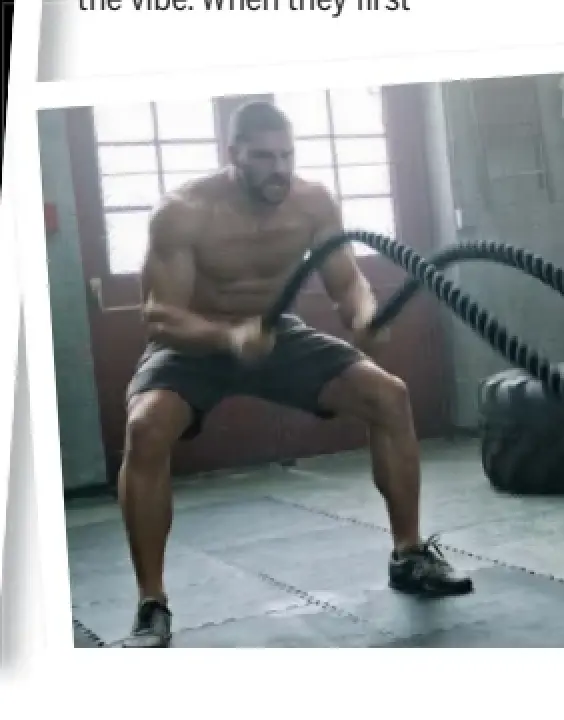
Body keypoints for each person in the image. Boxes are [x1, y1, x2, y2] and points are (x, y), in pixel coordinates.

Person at [117, 101, 473, 648]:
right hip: (193, 343)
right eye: (263, 157)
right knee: (145, 428)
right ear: (233, 154)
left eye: (286, 155)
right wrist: (228, 338)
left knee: (389, 396)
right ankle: (151, 604)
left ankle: (409, 555)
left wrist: (363, 316)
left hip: (276, 333)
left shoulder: (311, 203)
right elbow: (160, 315)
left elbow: (346, 280)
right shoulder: (185, 212)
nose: (278, 169)